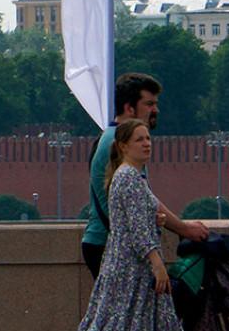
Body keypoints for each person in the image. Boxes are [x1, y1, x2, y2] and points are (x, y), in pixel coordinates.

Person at [73, 119, 190, 331]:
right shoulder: (129, 178)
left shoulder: (127, 176)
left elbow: (131, 220)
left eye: (148, 138)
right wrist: (157, 264)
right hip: (132, 272)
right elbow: (137, 231)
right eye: (139, 139)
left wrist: (154, 219)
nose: (147, 144)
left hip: (127, 270)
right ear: (123, 146)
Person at [80, 73, 208, 279]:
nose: (155, 110)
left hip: (107, 243)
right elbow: (141, 198)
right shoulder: (118, 144)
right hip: (111, 246)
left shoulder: (114, 138)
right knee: (121, 311)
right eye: (149, 104)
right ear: (129, 108)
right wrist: (184, 229)